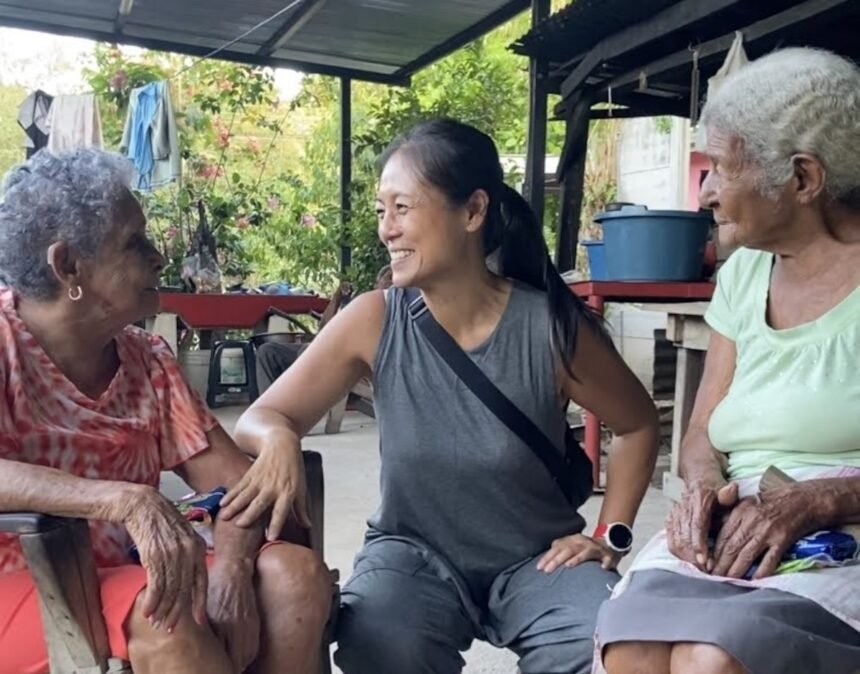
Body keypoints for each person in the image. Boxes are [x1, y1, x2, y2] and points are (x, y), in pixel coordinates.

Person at [226, 118, 660, 674]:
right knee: (378, 641)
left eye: (403, 208)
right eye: (382, 211)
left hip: (538, 559)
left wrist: (609, 536)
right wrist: (281, 436)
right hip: (412, 556)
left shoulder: (550, 328)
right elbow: (261, 416)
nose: (386, 229)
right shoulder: (374, 320)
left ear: (473, 212)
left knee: (609, 640)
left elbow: (639, 425)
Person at [0, 149, 331, 674]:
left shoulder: (147, 358)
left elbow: (236, 482)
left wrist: (233, 564)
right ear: (67, 266)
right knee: (168, 626)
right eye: (135, 242)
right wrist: (122, 500)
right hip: (23, 581)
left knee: (295, 576)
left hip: (128, 572)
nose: (158, 257)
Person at [596, 48, 860, 674]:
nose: (706, 191)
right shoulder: (743, 276)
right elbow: (698, 435)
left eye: (719, 168)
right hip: (737, 522)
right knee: (629, 651)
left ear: (802, 179)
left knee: (712, 659)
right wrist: (702, 493)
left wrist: (817, 502)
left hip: (839, 531)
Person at [256, 266, 391, 391]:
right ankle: (272, 410)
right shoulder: (362, 303)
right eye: (389, 277)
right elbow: (324, 328)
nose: (392, 282)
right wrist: (337, 298)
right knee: (268, 351)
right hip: (327, 349)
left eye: (395, 278)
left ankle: (296, 407)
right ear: (376, 285)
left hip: (350, 360)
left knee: (306, 351)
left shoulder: (398, 310)